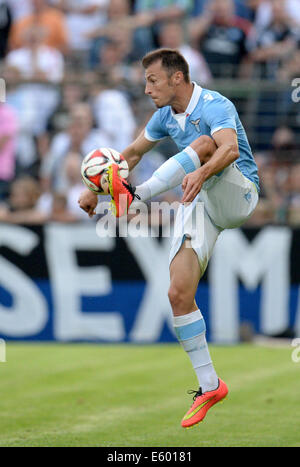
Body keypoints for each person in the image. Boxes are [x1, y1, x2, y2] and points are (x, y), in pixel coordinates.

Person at [78, 48, 259, 428]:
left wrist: (202, 171)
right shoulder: (164, 117)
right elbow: (130, 153)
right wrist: (98, 191)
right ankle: (210, 385)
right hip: (201, 197)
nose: (146, 89)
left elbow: (228, 148)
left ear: (178, 78)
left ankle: (138, 196)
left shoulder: (213, 104)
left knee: (206, 143)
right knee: (178, 293)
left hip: (236, 192)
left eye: (152, 80)